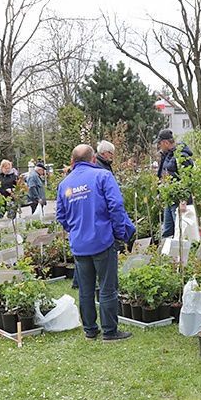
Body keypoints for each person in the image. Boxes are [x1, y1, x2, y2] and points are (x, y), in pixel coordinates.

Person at [57, 144, 135, 342]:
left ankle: (90, 330)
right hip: (102, 240)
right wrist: (119, 234)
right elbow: (116, 207)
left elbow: (61, 216)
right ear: (94, 159)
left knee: (86, 289)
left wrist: (76, 230)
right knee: (108, 287)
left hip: (80, 244)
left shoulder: (64, 184)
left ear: (73, 161)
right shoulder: (103, 176)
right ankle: (110, 331)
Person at [155, 128, 193, 238]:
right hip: (169, 200)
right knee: (167, 232)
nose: (159, 146)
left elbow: (187, 179)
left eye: (160, 144)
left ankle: (183, 255)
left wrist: (183, 201)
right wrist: (162, 196)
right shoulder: (167, 156)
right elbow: (162, 177)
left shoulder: (181, 156)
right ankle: (168, 255)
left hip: (178, 202)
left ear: (166, 143)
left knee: (180, 233)